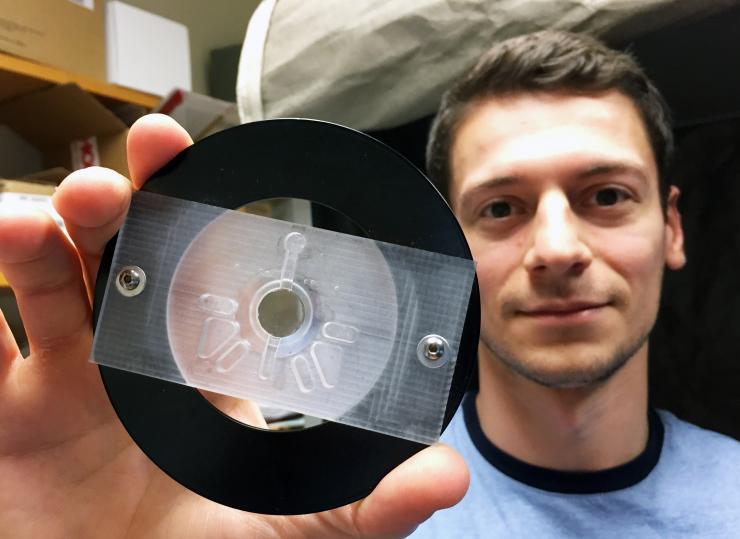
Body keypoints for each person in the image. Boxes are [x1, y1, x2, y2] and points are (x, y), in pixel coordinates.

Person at [410, 30, 740, 537]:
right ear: (449, 250)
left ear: (671, 229)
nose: (557, 250)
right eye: (500, 208)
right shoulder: (365, 513)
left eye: (607, 196)